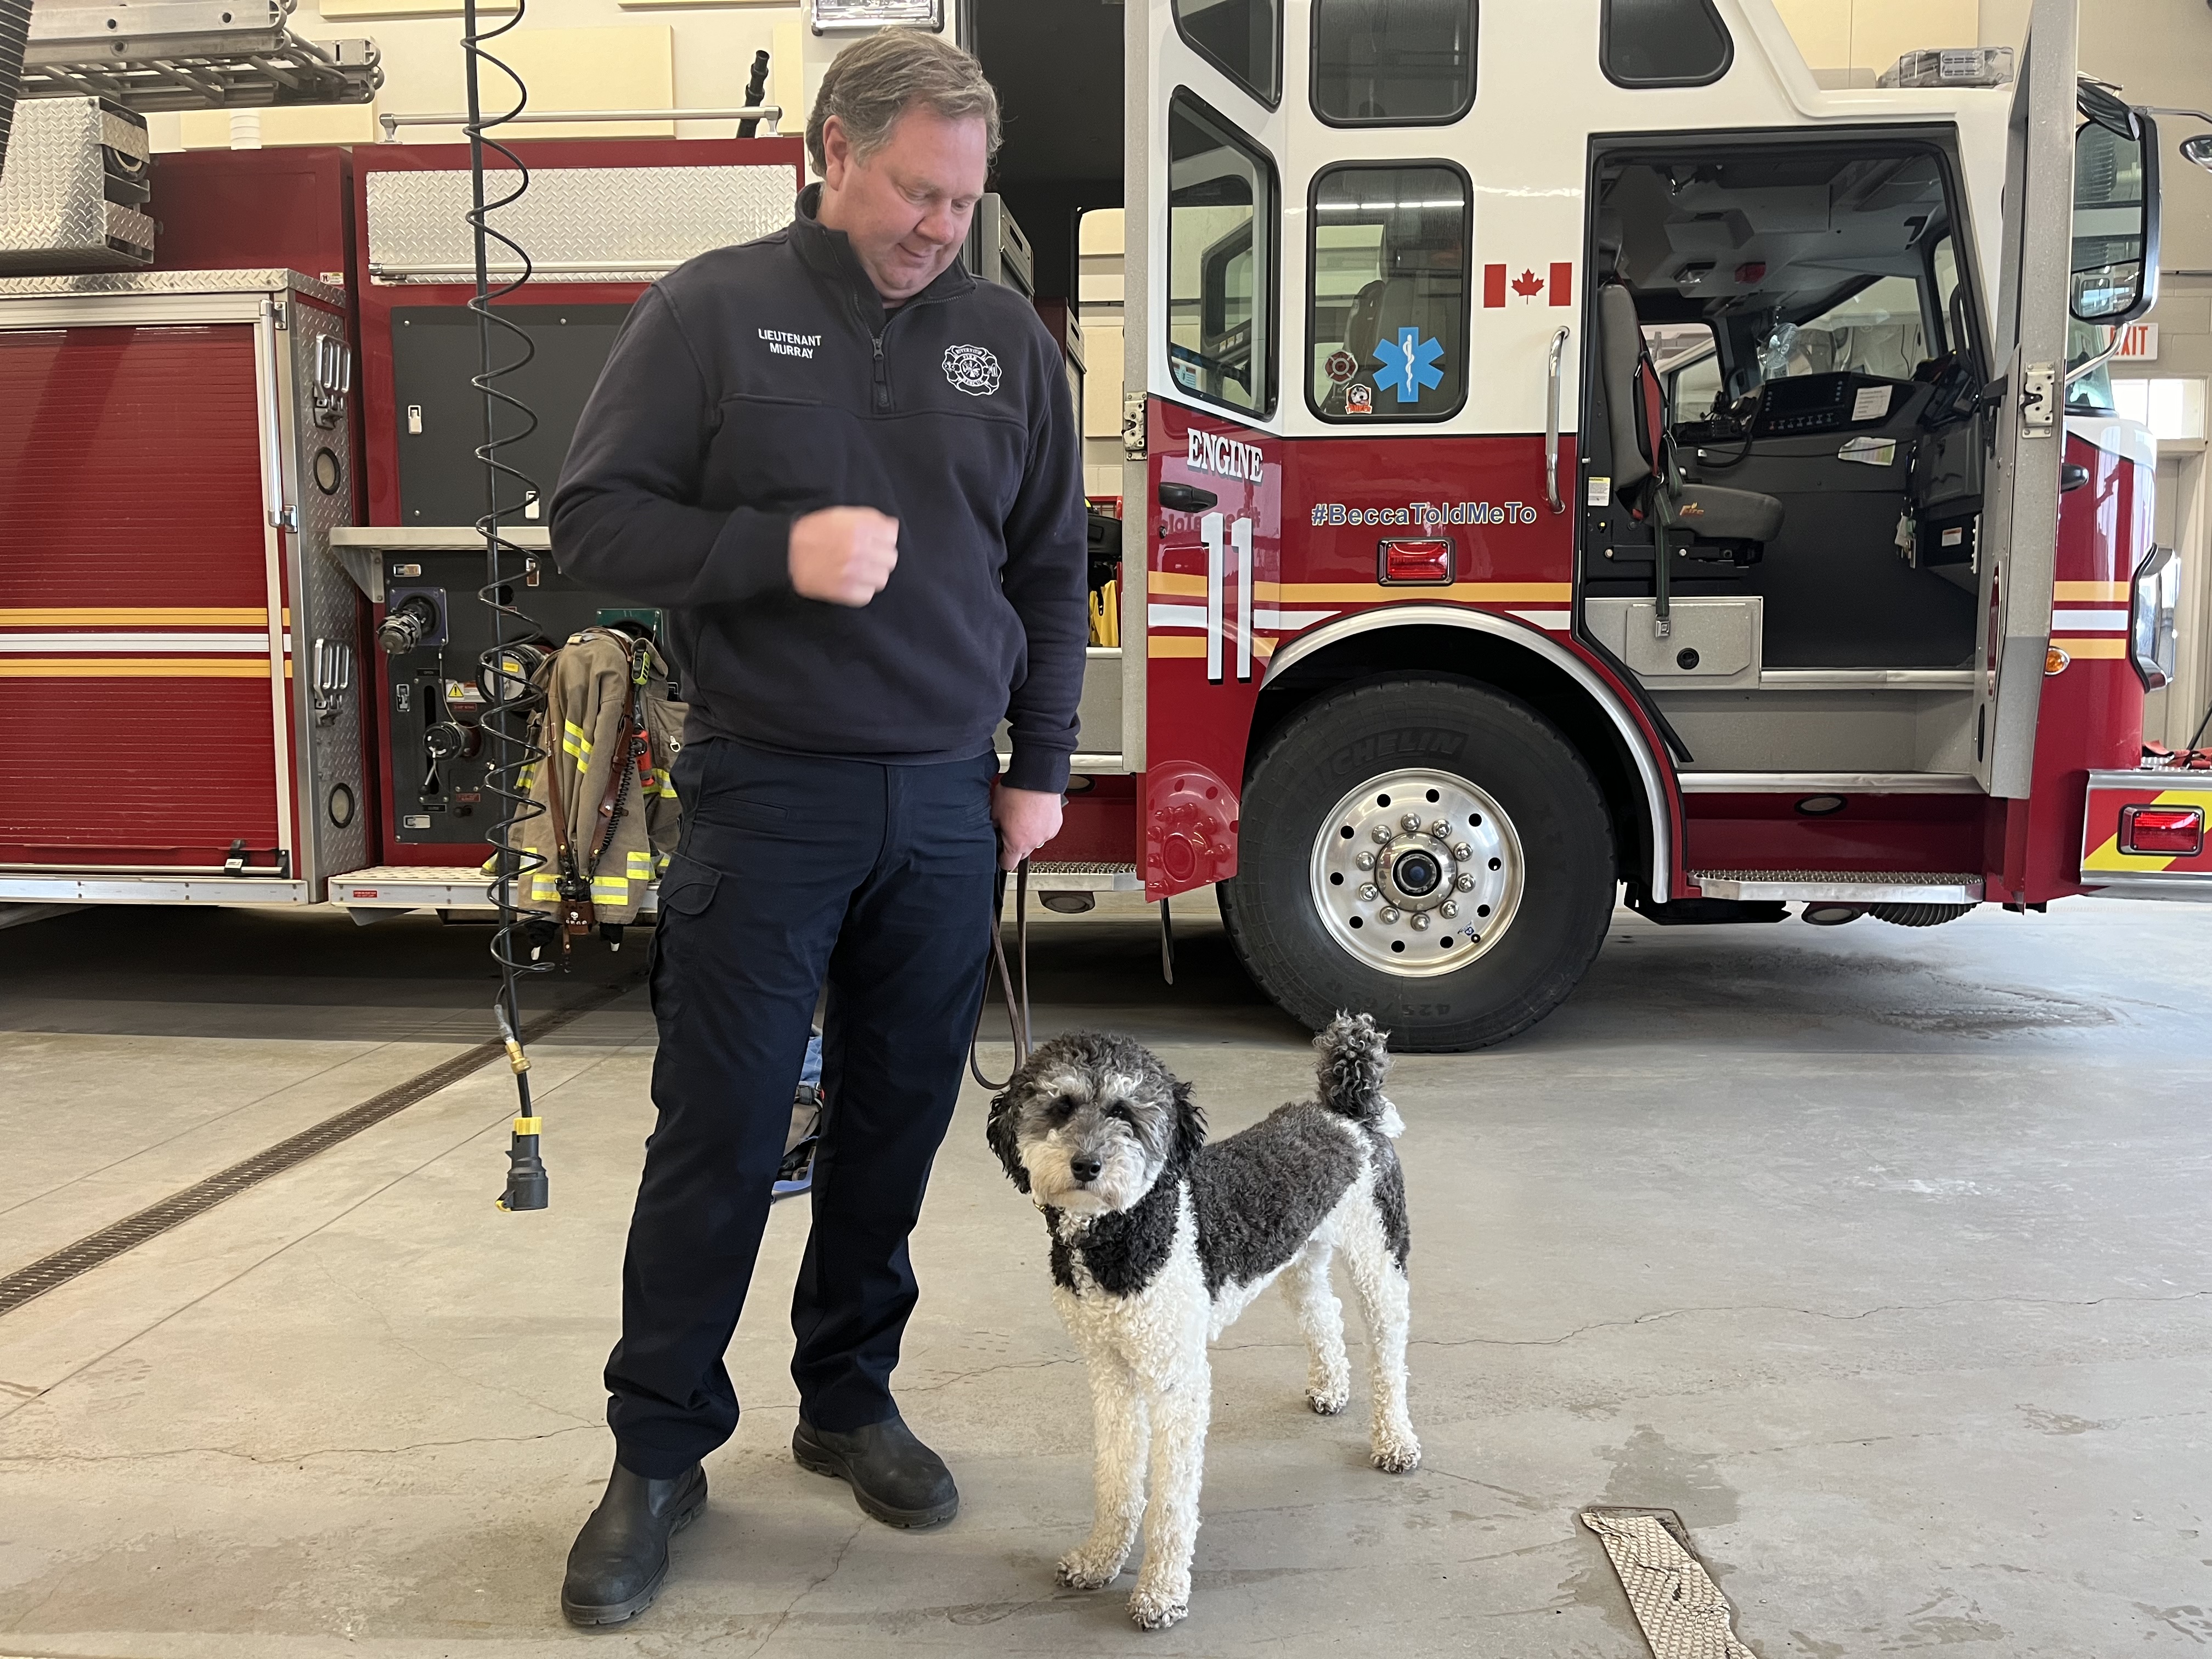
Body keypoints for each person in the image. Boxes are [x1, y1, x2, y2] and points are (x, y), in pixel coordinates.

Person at [548, 27, 1086, 1626]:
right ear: (831, 152)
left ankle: (847, 1397)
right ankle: (658, 1451)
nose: (939, 228)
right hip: (767, 786)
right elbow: (592, 522)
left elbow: (1051, 571)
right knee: (716, 1128)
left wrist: (1037, 768)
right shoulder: (711, 313)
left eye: (963, 202)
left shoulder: (1008, 344)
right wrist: (774, 553)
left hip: (940, 801)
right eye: (916, 192)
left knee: (896, 1121)